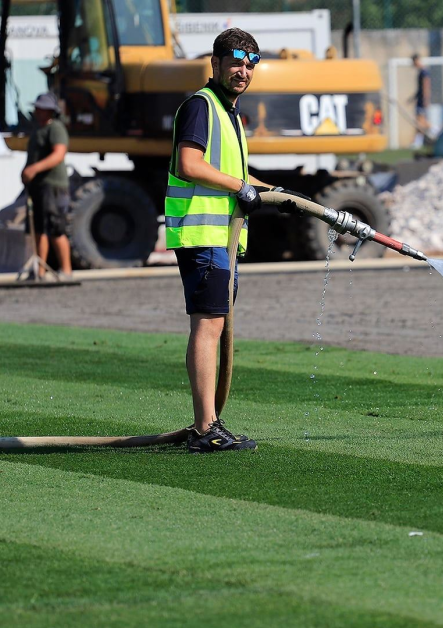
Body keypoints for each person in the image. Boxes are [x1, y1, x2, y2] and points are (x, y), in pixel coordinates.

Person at [165, 28, 275, 453]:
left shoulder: (230, 114)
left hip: (219, 238)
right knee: (208, 327)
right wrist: (240, 188)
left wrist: (277, 195)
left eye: (251, 63)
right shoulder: (201, 106)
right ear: (214, 63)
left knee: (215, 326)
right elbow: (189, 164)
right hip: (202, 234)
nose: (243, 69)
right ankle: (204, 426)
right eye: (235, 60)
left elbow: (239, 178)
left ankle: (209, 421)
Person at [21, 92, 73, 279]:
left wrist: (34, 169)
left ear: (49, 111)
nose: (36, 111)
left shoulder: (56, 129)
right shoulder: (37, 130)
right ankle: (39, 271)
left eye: (40, 108)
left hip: (53, 186)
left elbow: (58, 154)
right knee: (39, 229)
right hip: (39, 187)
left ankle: (66, 271)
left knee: (56, 228)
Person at [409, 54, 431, 148]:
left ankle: (418, 141)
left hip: (422, 100)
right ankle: (418, 140)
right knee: (420, 121)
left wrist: (426, 99)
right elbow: (420, 89)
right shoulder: (421, 72)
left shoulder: (424, 72)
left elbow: (426, 86)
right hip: (420, 99)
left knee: (420, 121)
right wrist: (413, 98)